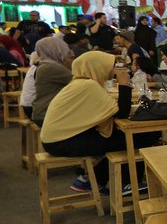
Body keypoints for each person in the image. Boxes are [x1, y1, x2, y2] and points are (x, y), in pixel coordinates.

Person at [40, 51, 154, 194]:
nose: (113, 70)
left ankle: (91, 179)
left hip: (57, 138)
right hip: (61, 142)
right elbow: (122, 113)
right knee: (134, 138)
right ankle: (126, 183)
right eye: (111, 66)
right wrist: (124, 84)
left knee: (121, 137)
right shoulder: (88, 86)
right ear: (97, 67)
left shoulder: (81, 83)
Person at [31, 35, 74, 125]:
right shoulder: (51, 67)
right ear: (56, 49)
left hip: (45, 111)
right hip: (47, 114)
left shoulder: (45, 64)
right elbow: (78, 80)